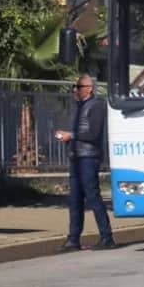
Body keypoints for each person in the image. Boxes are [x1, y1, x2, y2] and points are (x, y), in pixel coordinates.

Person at [54, 75, 117, 251]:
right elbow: (80, 132)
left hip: (89, 157)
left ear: (89, 88)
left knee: (92, 196)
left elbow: (93, 134)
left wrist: (71, 135)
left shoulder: (96, 105)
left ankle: (107, 236)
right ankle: (73, 239)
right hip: (76, 156)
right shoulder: (78, 108)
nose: (75, 89)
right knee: (74, 199)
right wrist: (67, 136)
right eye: (74, 86)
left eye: (78, 86)